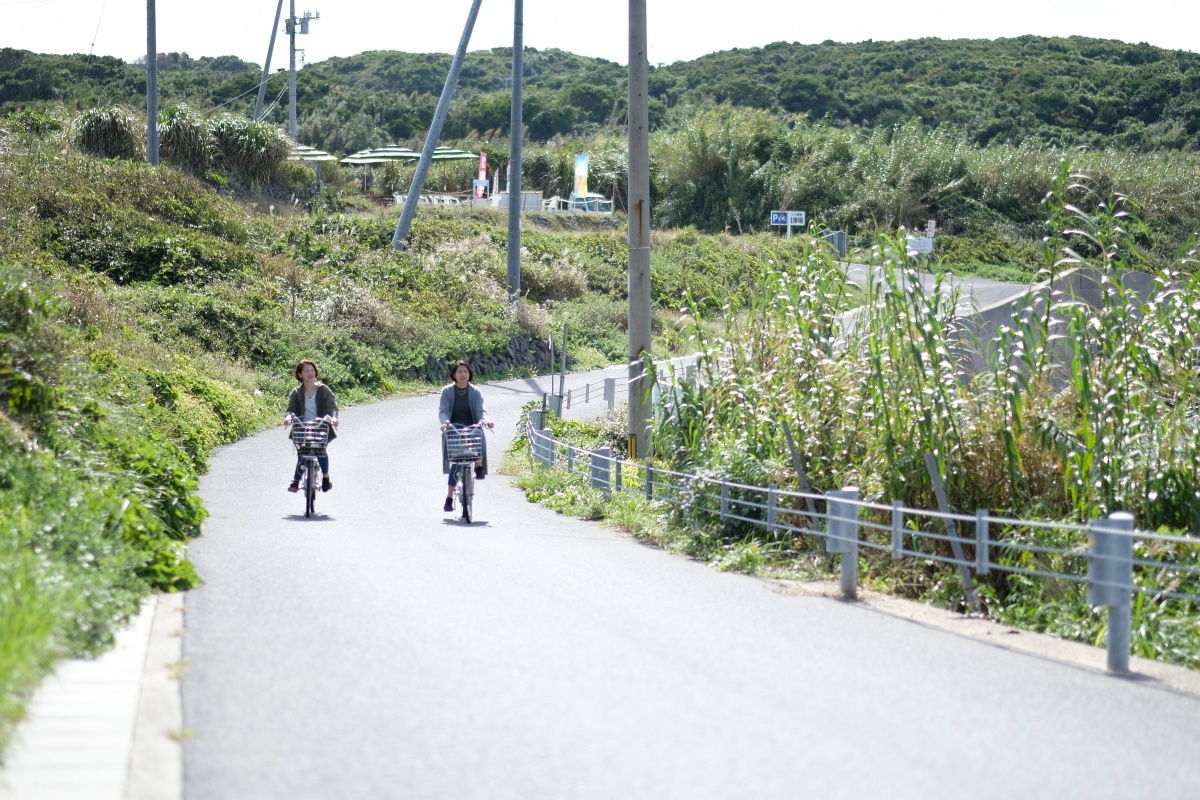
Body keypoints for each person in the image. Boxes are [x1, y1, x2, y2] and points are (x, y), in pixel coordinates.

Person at [438, 360, 494, 512]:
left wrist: (486, 421)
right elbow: (443, 410)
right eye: (459, 372)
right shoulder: (447, 391)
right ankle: (449, 498)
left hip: (472, 426)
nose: (463, 375)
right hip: (454, 428)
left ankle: (479, 466)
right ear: (454, 375)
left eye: (466, 372)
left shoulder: (475, 391)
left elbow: (482, 410)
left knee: (478, 434)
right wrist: (445, 423)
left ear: (470, 374)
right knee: (456, 463)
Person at [284, 359, 339, 493]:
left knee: (320, 450)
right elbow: (291, 409)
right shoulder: (296, 393)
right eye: (306, 371)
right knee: (303, 453)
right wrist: (288, 417)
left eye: (312, 370)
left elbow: (332, 406)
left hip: (320, 427)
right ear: (300, 374)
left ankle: (325, 476)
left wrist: (334, 418)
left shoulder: (323, 390)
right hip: (302, 428)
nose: (310, 373)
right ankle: (296, 481)